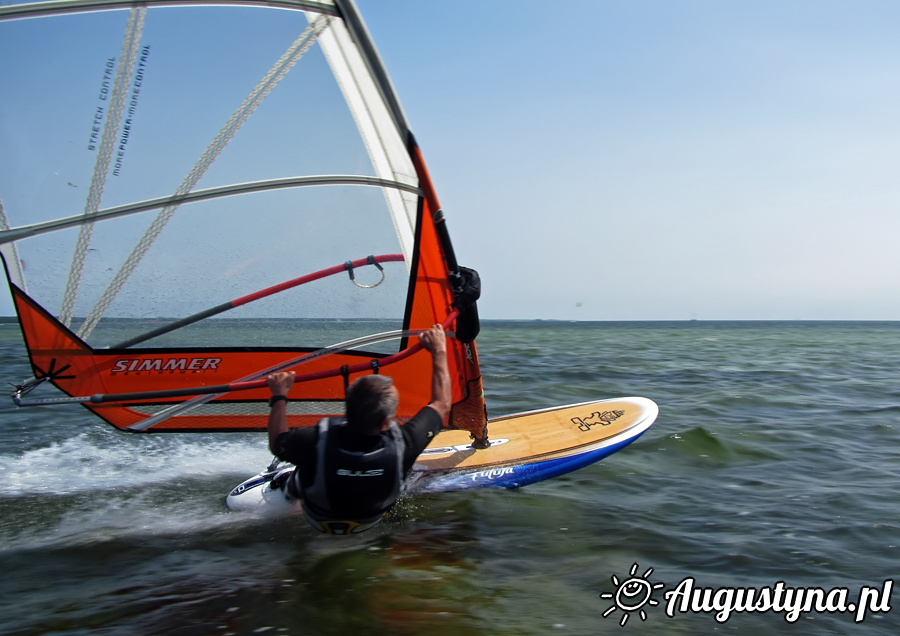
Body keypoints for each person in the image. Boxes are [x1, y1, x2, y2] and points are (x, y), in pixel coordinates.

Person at [265, 324, 451, 535]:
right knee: (404, 469)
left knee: (301, 463)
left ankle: (288, 490)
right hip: (368, 522)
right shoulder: (406, 443)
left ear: (347, 409)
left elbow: (276, 443)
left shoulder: (315, 439)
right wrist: (439, 349)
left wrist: (279, 395)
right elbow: (441, 403)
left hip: (317, 519)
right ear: (384, 423)